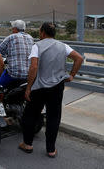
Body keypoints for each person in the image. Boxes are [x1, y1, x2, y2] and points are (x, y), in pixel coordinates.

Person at [18, 22, 83, 158]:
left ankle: (28, 144)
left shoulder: (37, 46)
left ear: (42, 33)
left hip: (40, 88)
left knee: (30, 115)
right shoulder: (63, 46)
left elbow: (33, 67)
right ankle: (51, 149)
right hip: (57, 87)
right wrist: (71, 75)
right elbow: (79, 58)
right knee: (54, 117)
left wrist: (28, 88)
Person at [0, 20, 34, 88]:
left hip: (14, 75)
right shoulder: (31, 38)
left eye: (12, 28)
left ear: (15, 29)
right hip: (28, 75)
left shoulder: (11, 37)